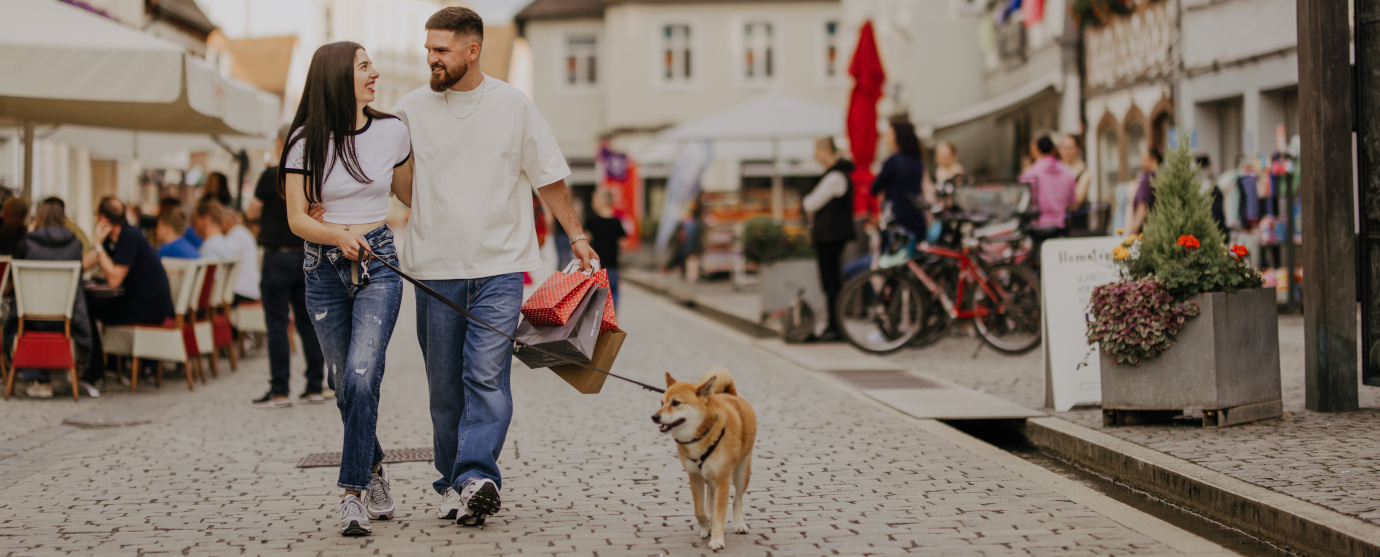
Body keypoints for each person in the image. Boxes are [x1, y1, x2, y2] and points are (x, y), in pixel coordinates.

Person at [392, 6, 596, 527]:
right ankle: (452, 480)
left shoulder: (513, 105)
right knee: (444, 387)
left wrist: (575, 234)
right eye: (429, 49)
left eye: (441, 51)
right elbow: (398, 183)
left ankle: (478, 475)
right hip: (435, 268)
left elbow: (547, 174)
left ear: (471, 50)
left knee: (486, 375)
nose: (431, 59)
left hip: (501, 266)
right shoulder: (408, 110)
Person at [280, 40, 412, 537]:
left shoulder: (393, 131)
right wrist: (338, 235)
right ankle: (375, 465)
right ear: (338, 77)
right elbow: (296, 219)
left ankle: (353, 493)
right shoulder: (303, 141)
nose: (375, 73)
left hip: (378, 262)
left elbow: (411, 194)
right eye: (364, 67)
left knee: (360, 374)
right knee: (342, 382)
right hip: (323, 267)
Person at [248, 124, 325, 408]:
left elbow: (251, 212)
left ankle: (280, 390)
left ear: (281, 143)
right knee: (309, 323)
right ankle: (315, 386)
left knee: (277, 324)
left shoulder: (271, 175)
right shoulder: (312, 174)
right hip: (306, 254)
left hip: (276, 256)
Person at [85, 196, 174, 387]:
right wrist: (98, 246)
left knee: (87, 308)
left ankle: (95, 371)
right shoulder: (115, 238)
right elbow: (84, 264)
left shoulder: (129, 237)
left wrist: (98, 245)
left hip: (148, 310)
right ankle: (106, 366)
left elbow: (115, 280)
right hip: (140, 303)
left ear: (102, 218)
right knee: (91, 305)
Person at [15, 198, 93, 399]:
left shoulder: (26, 244)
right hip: (66, 320)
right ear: (63, 219)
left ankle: (35, 376)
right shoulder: (75, 245)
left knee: (14, 312)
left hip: (31, 318)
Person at [802, 136, 855, 343]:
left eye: (816, 150)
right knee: (831, 282)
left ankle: (835, 326)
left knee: (831, 283)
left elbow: (811, 203)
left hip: (830, 235)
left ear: (825, 150)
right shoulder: (836, 175)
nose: (815, 155)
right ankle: (833, 325)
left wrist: (807, 202)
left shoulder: (835, 176)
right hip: (831, 235)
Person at [872, 120, 928, 238]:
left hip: (897, 218)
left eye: (888, 135)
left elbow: (875, 188)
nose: (886, 139)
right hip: (916, 215)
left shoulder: (893, 161)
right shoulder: (917, 160)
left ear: (897, 137)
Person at [1019, 135, 1079, 231]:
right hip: (1061, 226)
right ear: (1053, 150)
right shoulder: (1067, 172)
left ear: (1037, 150)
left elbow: (1020, 202)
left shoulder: (1029, 174)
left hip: (1037, 228)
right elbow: (1073, 204)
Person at [584, 190, 626, 306]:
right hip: (613, 264)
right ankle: (613, 317)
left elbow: (585, 240)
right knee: (614, 292)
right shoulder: (616, 222)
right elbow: (623, 244)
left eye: (594, 201)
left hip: (598, 265)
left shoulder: (592, 221)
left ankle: (600, 318)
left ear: (601, 202)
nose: (592, 204)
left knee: (598, 294)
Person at [222, 209, 260, 303]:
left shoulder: (236, 234)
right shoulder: (242, 232)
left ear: (228, 221)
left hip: (242, 290)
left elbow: (224, 258)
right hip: (250, 289)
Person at [1126, 147, 1164, 235]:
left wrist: (1133, 231)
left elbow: (1142, 207)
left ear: (1153, 159)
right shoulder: (1162, 177)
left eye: (1144, 159)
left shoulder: (1147, 179)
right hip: (1160, 230)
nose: (1141, 162)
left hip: (1146, 233)